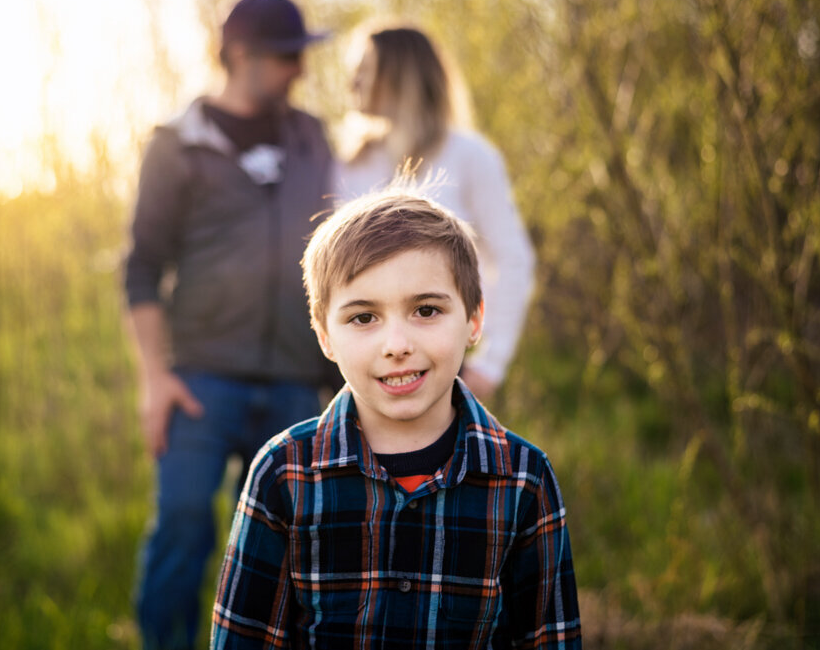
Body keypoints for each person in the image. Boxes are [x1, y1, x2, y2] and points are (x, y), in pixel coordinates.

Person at [211, 190, 581, 648]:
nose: (397, 344)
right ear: (325, 336)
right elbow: (245, 637)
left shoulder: (524, 480)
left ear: (473, 319)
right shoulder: (284, 473)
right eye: (364, 318)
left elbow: (547, 637)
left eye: (426, 310)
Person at [123, 0, 334, 650]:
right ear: (240, 55)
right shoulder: (175, 147)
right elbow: (141, 268)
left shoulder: (312, 137)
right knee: (183, 528)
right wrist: (155, 377)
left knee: (293, 553)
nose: (299, 70)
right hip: (200, 383)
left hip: (298, 385)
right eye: (285, 57)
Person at [335, 25, 535, 400]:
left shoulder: (469, 155)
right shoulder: (347, 163)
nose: (352, 82)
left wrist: (493, 361)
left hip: (433, 362)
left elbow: (512, 258)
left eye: (365, 69)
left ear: (400, 77)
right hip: (353, 364)